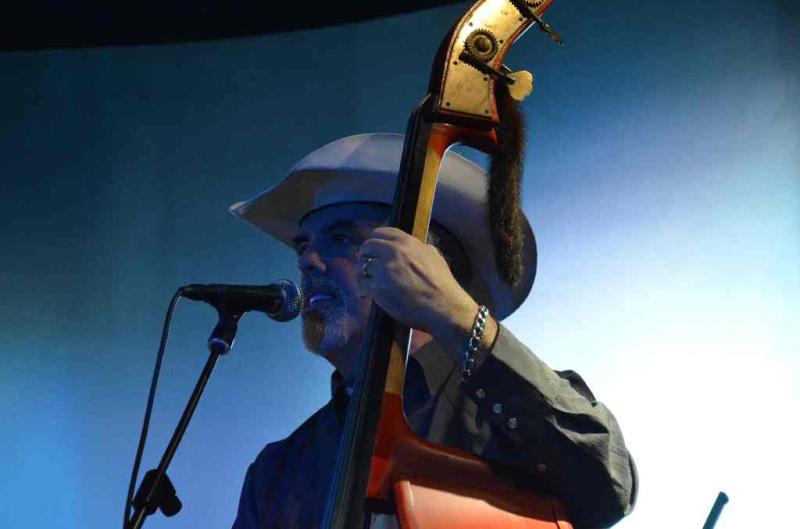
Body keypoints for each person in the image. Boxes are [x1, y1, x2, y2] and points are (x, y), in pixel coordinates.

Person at [229, 133, 637, 529]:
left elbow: (609, 486)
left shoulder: (507, 416)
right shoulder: (276, 471)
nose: (307, 262)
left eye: (340, 238)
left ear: (424, 266)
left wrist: (456, 314)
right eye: (303, 246)